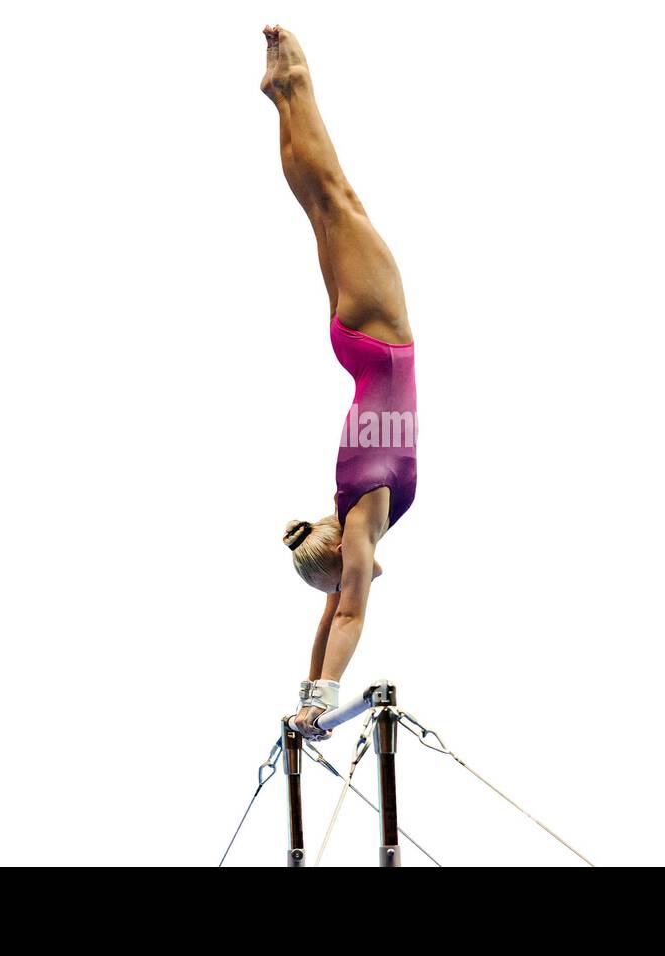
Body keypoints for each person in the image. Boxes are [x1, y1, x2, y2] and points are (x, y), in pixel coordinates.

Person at [263, 25, 417, 739]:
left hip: (380, 336)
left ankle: (296, 81)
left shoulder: (362, 522)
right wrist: (306, 696)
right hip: (356, 345)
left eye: (339, 578)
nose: (350, 586)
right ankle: (283, 97)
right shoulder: (348, 510)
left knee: (336, 197)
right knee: (322, 206)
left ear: (338, 560)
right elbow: (334, 608)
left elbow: (348, 610)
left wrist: (321, 702)